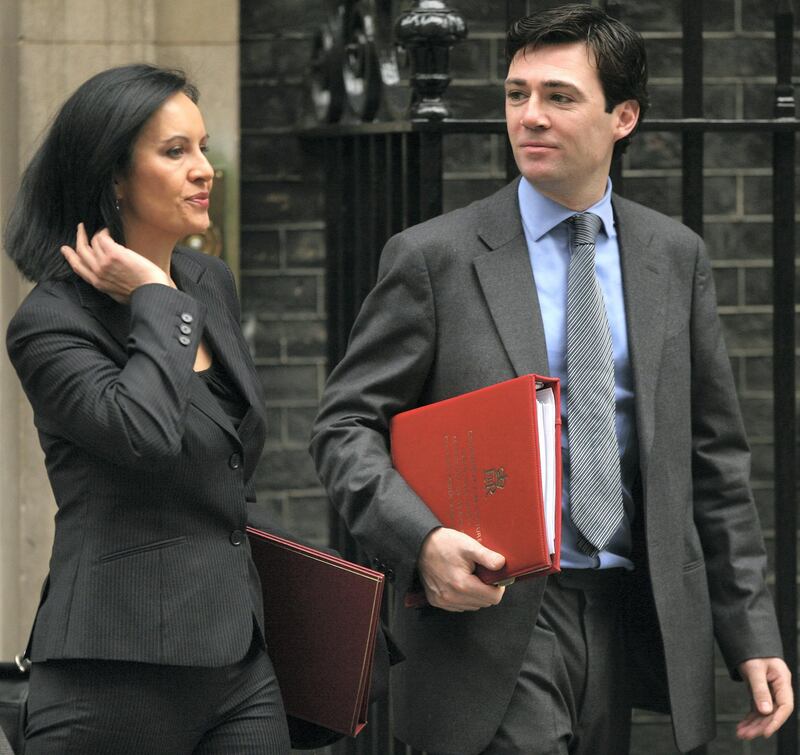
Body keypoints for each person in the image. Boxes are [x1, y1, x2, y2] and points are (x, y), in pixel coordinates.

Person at [310, 5, 793, 754]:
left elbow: (714, 461)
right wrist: (424, 539)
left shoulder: (676, 256)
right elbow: (344, 429)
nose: (529, 116)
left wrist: (752, 631)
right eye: (516, 94)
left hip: (632, 611)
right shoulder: (432, 258)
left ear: (623, 115)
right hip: (496, 617)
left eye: (559, 97)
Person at [5, 64, 290, 753]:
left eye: (202, 145)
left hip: (240, 664)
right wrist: (156, 297)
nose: (204, 169)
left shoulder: (207, 282)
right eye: (175, 151)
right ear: (114, 178)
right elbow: (144, 434)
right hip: (113, 673)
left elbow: (229, 462)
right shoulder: (49, 322)